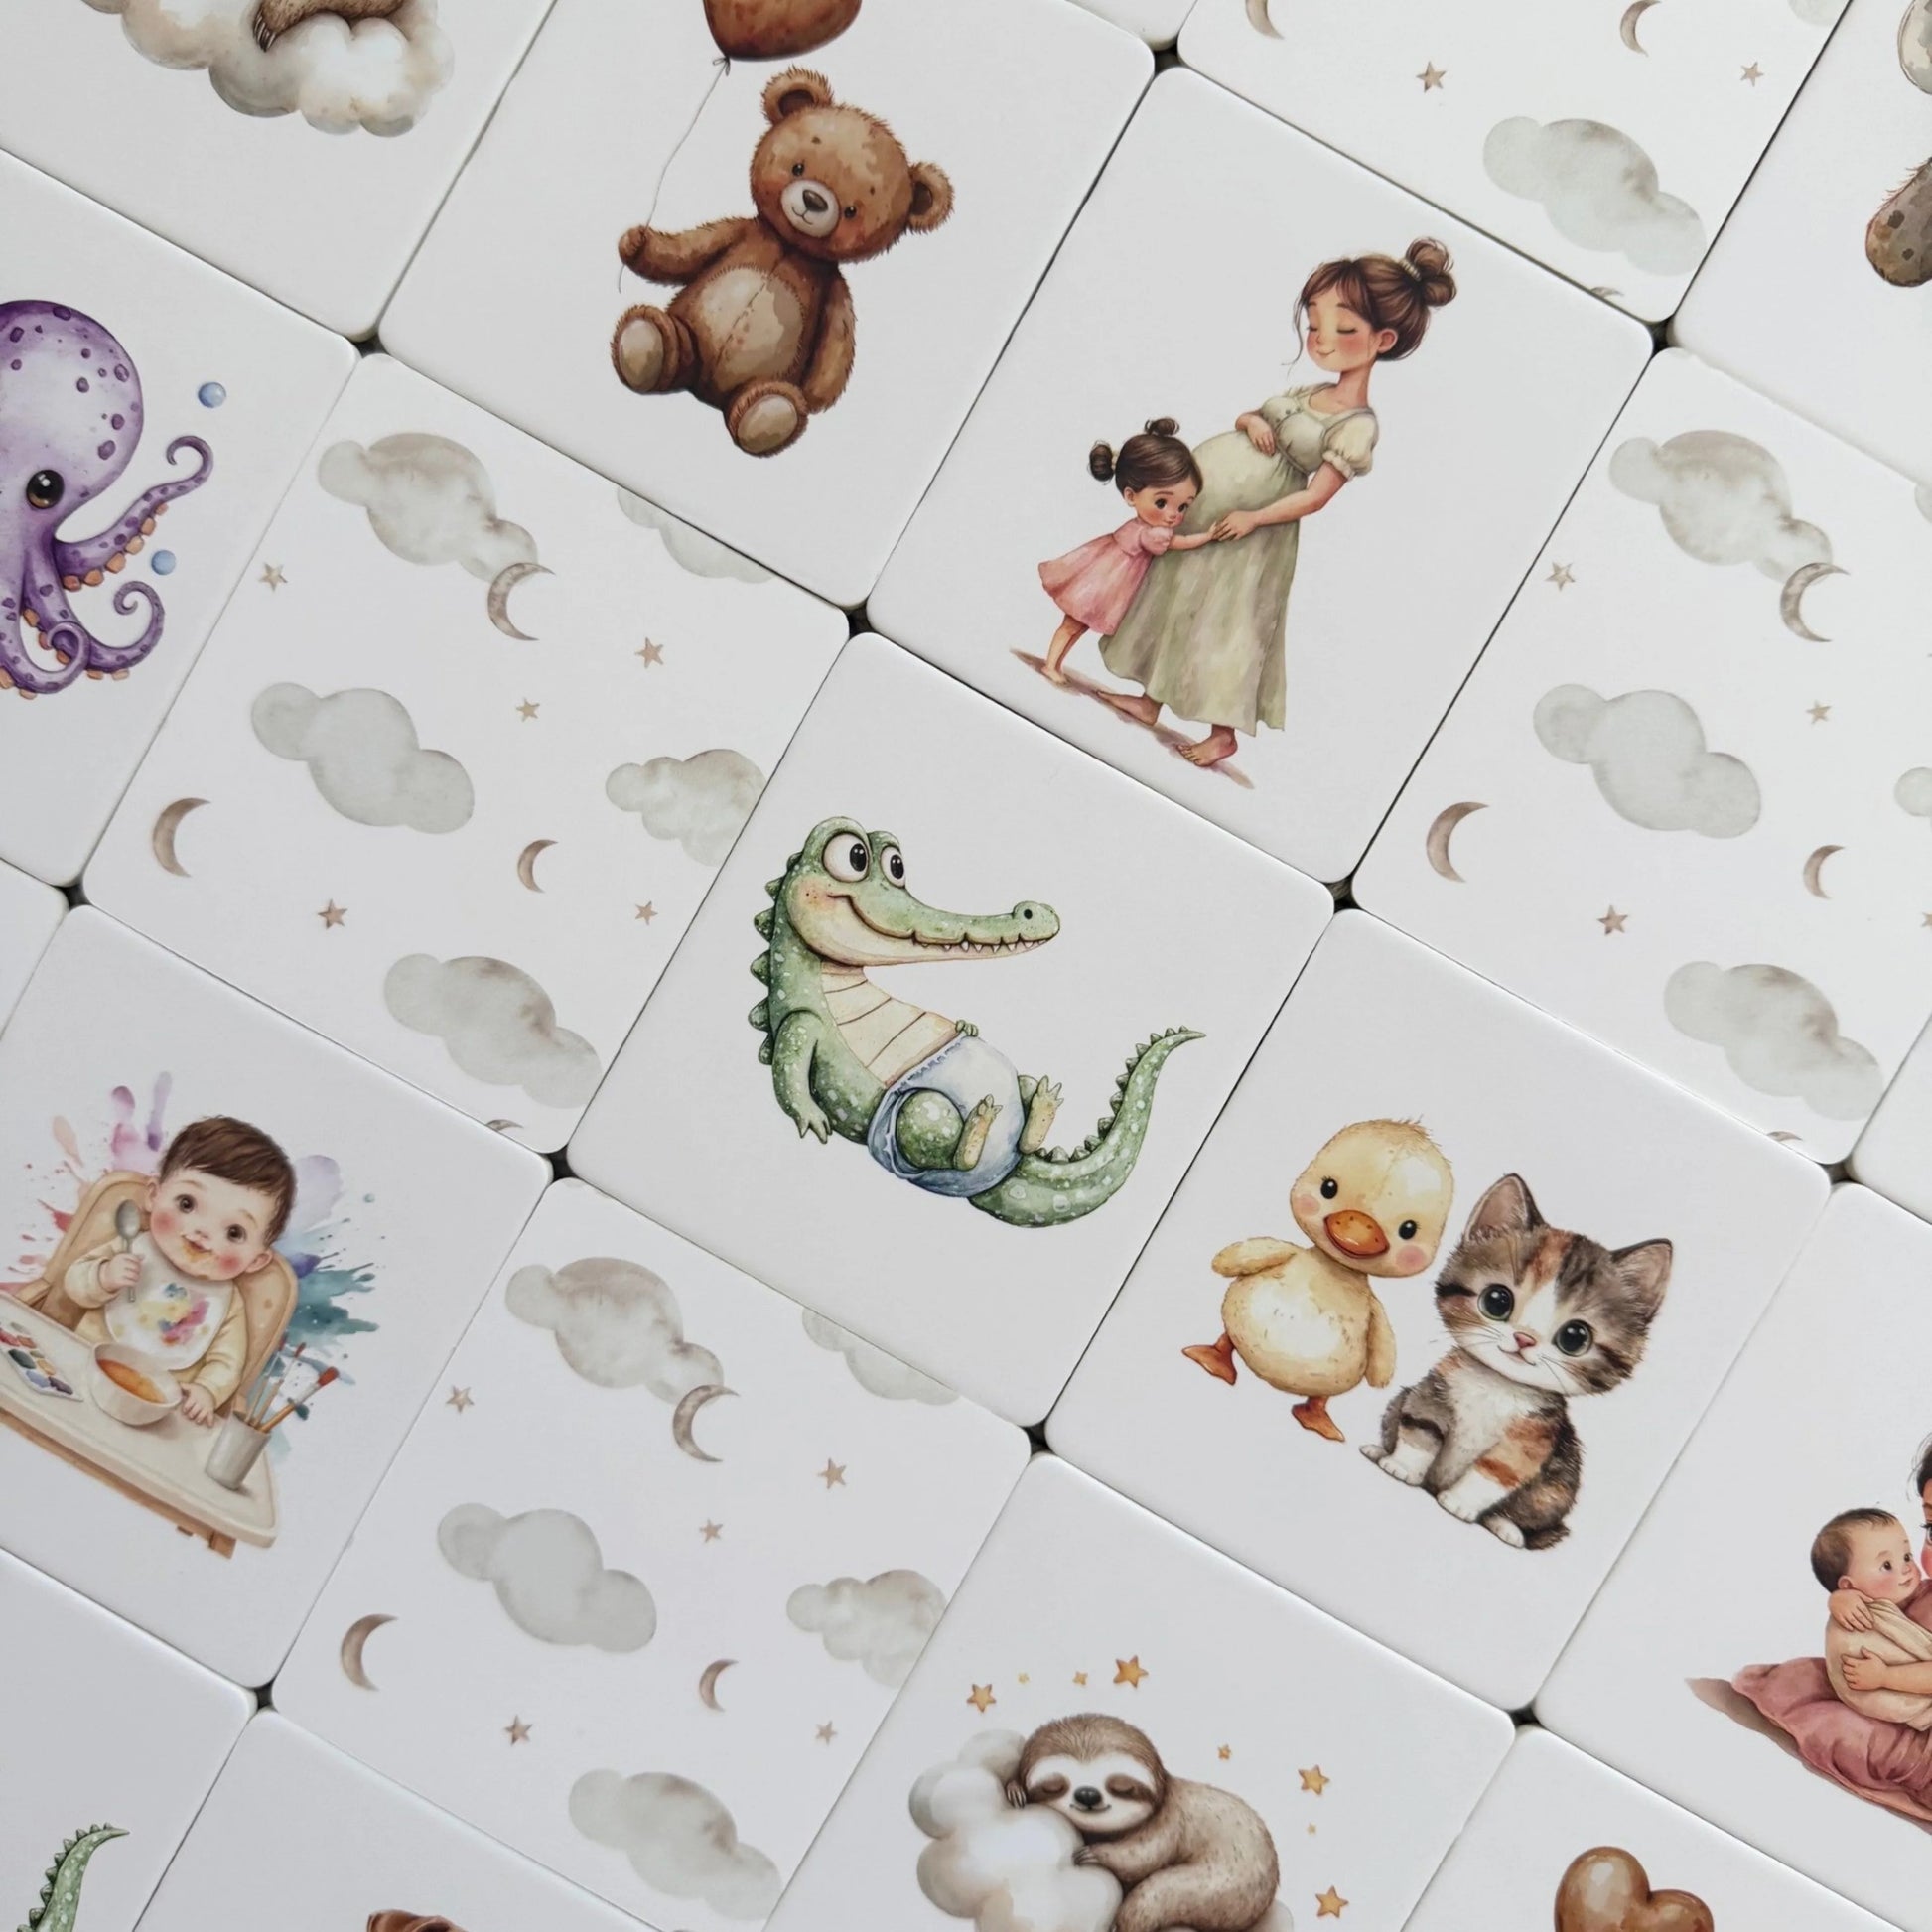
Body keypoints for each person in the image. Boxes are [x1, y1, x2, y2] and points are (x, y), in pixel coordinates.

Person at [1099, 239, 1456, 767]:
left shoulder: (1356, 425)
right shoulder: (1310, 392)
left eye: (1343, 328)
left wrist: (1253, 518)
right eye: (1314, 325)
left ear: (1382, 339)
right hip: (1206, 514)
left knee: (1228, 623)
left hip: (1254, 534)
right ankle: (1150, 700)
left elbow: (1316, 496)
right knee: (1180, 601)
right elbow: (1252, 415)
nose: (1322, 339)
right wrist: (1251, 422)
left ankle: (1223, 732)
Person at [60, 1116, 295, 1427]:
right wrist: (103, 1277)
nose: (202, 1232)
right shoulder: (132, 1247)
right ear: (154, 1195)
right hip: (80, 1371)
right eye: (187, 1204)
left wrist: (207, 1390)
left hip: (156, 1412)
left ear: (256, 1260)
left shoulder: (227, 1303)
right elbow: (74, 1283)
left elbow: (227, 1362)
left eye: (234, 1232)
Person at [1037, 419, 1210, 685]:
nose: (1173, 515)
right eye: (1161, 503)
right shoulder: (1149, 533)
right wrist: (1208, 536)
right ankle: (1051, 664)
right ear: (1131, 497)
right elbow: (1179, 543)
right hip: (1104, 581)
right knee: (1073, 624)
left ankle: (1054, 664)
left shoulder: (1143, 527)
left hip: (1104, 573)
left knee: (1076, 625)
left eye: (1183, 507)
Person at [1815, 1508, 1932, 1726]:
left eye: (1907, 1556)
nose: (1907, 1568)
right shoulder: (1881, 1605)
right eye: (1887, 1565)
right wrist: (1840, 1599)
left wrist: (1885, 1676)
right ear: (1848, 1585)